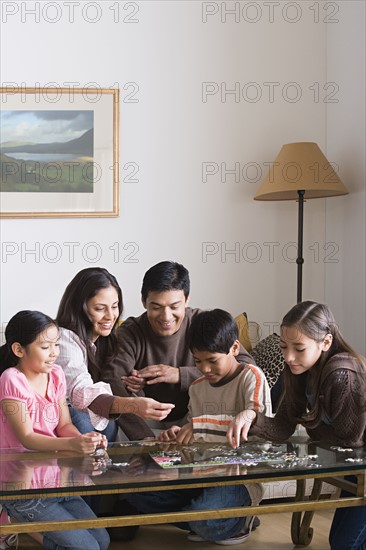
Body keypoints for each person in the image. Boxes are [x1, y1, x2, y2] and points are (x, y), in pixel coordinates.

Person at [226, 301, 366, 550]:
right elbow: (283, 426)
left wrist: (309, 421)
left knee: (345, 544)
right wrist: (251, 416)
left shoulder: (342, 372)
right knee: (341, 542)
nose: (288, 357)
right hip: (357, 469)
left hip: (359, 463)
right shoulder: (298, 370)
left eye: (299, 349)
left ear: (325, 342)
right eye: (283, 347)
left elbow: (349, 439)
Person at [125, 309, 272, 545]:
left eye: (212, 360)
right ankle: (213, 517)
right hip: (197, 473)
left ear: (234, 349)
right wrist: (176, 434)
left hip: (238, 478)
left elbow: (256, 425)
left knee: (205, 522)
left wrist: (198, 427)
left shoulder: (251, 377)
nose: (204, 368)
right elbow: (192, 430)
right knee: (135, 492)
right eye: (197, 361)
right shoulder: (197, 386)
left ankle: (237, 518)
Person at [0, 310, 110, 550]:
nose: (54, 353)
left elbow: (63, 425)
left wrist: (85, 439)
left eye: (56, 345)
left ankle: (17, 523)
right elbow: (27, 438)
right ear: (19, 350)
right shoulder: (12, 380)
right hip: (22, 487)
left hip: (55, 480)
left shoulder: (56, 375)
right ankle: (13, 513)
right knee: (87, 548)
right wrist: (72, 445)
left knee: (103, 541)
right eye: (45, 346)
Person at [102, 261, 255, 431]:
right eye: (156, 307)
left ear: (187, 300)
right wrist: (144, 437)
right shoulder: (131, 331)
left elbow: (247, 367)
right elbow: (112, 380)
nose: (166, 317)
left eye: (174, 306)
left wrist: (181, 375)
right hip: (148, 421)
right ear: (144, 302)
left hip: (199, 418)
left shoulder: (203, 322)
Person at [55, 267, 175, 441]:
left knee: (107, 422)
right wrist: (132, 405)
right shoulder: (64, 339)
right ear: (79, 308)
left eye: (115, 306)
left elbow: (111, 378)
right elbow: (81, 393)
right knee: (83, 420)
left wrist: (135, 384)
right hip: (58, 418)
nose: (110, 316)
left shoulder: (106, 339)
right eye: (100, 308)